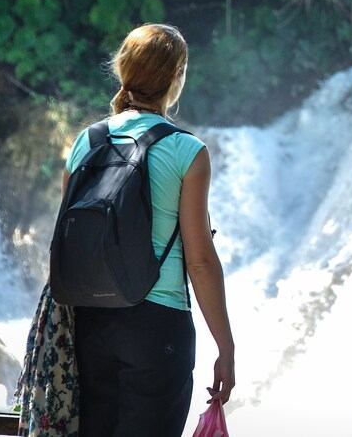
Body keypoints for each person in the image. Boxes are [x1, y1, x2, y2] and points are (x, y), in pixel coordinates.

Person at [60, 23, 235, 436]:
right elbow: (200, 259)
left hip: (90, 323)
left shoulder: (87, 141)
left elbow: (68, 237)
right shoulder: (187, 150)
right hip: (158, 327)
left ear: (124, 71)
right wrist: (225, 346)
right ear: (176, 77)